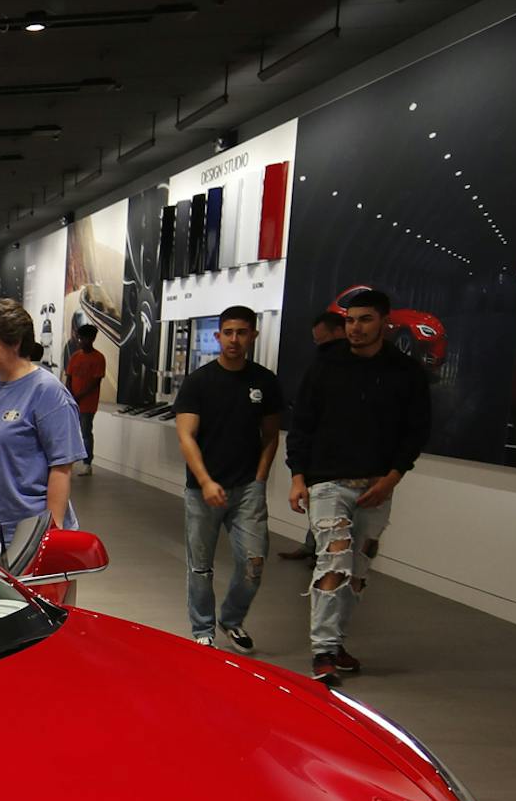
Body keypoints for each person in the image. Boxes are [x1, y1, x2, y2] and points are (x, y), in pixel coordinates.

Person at [286, 287, 430, 684]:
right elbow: (302, 425)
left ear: (384, 323)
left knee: (358, 569)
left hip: (376, 486)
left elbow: (415, 431)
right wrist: (298, 477)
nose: (355, 328)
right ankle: (323, 652)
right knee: (333, 561)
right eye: (350, 320)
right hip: (327, 482)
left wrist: (393, 477)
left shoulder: (405, 372)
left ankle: (335, 641)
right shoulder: (324, 366)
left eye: (365, 320)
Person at [175, 306, 283, 651]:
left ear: (253, 335)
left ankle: (232, 619)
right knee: (201, 567)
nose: (234, 339)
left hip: (247, 489)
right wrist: (205, 480)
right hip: (203, 490)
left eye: (242, 332)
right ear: (218, 336)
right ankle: (202, 629)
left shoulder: (264, 382)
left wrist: (261, 477)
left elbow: (270, 436)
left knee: (253, 563)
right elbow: (186, 437)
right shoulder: (198, 383)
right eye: (228, 332)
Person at [0, 299, 86, 554]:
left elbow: (61, 468)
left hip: (26, 535)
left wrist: (52, 534)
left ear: (15, 343)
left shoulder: (47, 392)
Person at [280, 310, 350, 561]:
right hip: (320, 460)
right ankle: (316, 547)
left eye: (323, 341)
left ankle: (321, 551)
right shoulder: (319, 370)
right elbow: (303, 421)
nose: (321, 347)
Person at [64, 324, 107, 476]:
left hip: (87, 404)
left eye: (85, 338)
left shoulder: (98, 358)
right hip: (72, 402)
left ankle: (87, 463)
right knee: (70, 432)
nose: (82, 341)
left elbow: (95, 382)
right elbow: (68, 378)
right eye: (81, 338)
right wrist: (69, 394)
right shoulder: (75, 356)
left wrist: (79, 395)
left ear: (93, 339)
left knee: (86, 432)